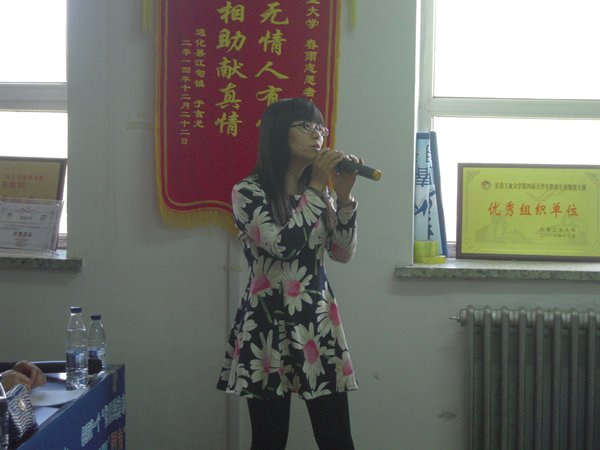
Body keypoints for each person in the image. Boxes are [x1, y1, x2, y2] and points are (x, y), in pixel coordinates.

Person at [217, 98, 360, 449]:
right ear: (279, 133)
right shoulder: (248, 192)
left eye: (320, 127)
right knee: (269, 440)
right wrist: (316, 189)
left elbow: (341, 253)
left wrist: (344, 200)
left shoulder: (321, 194)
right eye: (306, 126)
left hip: (317, 321)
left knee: (337, 438)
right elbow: (282, 246)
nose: (318, 135)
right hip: (266, 323)